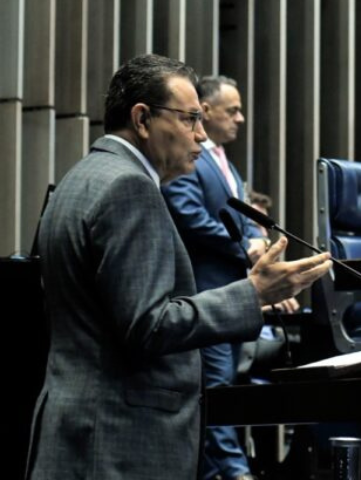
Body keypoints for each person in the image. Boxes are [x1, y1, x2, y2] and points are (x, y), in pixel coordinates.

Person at [27, 54, 331, 480]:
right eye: (190, 119)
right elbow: (149, 326)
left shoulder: (82, 177)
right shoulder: (129, 188)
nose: (202, 136)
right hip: (120, 440)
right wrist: (253, 293)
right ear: (143, 119)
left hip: (84, 430)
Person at [162, 76, 292, 480]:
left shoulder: (226, 163)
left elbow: (238, 218)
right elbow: (188, 214)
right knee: (216, 389)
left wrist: (256, 238)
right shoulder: (192, 157)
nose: (241, 118)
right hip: (207, 292)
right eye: (232, 110)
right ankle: (236, 472)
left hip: (235, 292)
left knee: (227, 387)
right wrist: (245, 248)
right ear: (205, 109)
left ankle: (211, 471)